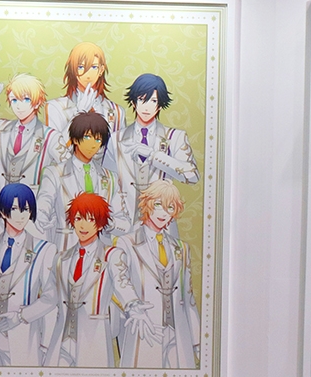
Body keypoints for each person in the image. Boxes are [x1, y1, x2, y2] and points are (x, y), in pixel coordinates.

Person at [0, 183, 57, 367]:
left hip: (23, 339)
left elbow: (51, 296)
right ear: (2, 211)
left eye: (26, 209)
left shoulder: (43, 249)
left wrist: (21, 316)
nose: (21, 215)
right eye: (15, 209)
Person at [114, 180, 200, 369]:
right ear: (147, 204)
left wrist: (197, 342)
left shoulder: (181, 248)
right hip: (146, 329)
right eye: (158, 204)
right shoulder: (126, 243)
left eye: (170, 207)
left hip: (178, 334)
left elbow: (189, 299)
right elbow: (118, 281)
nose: (163, 212)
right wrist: (133, 307)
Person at [45, 193, 133, 368]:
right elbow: (49, 298)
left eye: (90, 219)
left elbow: (123, 284)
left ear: (100, 223)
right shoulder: (61, 259)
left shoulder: (111, 256)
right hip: (61, 340)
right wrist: (21, 315)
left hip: (94, 340)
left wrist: (134, 305)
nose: (83, 225)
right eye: (78, 218)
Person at [0, 74, 64, 230]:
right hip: (0, 210)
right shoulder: (1, 128)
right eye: (14, 100)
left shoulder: (50, 136)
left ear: (37, 102)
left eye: (25, 99)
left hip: (32, 210)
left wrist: (49, 208)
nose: (19, 106)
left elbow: (67, 171)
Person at [35, 112, 131, 250]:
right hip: (64, 249)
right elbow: (41, 212)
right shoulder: (54, 173)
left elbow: (125, 224)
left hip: (100, 253)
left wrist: (105, 222)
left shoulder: (110, 177)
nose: (93, 145)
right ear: (75, 139)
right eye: (87, 137)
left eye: (98, 140)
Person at [115, 73, 199, 225]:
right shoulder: (116, 139)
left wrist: (155, 156)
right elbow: (109, 180)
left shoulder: (175, 137)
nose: (147, 107)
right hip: (125, 226)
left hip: (161, 223)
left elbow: (192, 176)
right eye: (142, 99)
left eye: (153, 101)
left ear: (160, 105)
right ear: (133, 102)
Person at [45, 42, 126, 159]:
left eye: (94, 67)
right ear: (73, 69)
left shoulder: (116, 112)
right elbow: (54, 151)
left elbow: (120, 155)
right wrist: (78, 113)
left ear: (101, 69)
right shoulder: (55, 107)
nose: (88, 74)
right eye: (81, 67)